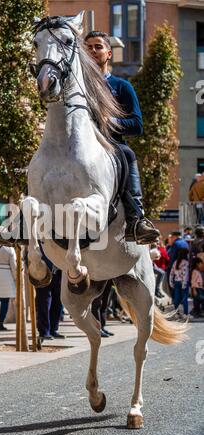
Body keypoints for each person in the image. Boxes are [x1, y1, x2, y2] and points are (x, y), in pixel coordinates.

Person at [85, 31, 160, 245]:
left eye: (97, 46)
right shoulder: (74, 86)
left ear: (109, 53)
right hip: (76, 143)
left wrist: (111, 122)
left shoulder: (122, 87)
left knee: (127, 153)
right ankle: (26, 218)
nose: (92, 50)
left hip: (111, 145)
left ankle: (136, 219)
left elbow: (137, 125)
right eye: (88, 47)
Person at [35, 247, 65, 341]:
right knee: (44, 304)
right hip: (42, 275)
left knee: (58, 304)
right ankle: (44, 332)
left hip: (58, 275)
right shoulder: (38, 244)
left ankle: (53, 330)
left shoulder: (58, 242)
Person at [169, 247, 190, 318]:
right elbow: (185, 274)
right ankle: (185, 314)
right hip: (183, 283)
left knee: (176, 298)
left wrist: (171, 282)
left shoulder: (175, 262)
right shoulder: (186, 262)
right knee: (184, 299)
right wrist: (184, 284)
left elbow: (171, 273)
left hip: (176, 282)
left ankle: (176, 313)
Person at [190, 253, 204, 318]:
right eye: (201, 264)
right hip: (197, 289)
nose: (202, 265)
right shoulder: (195, 272)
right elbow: (193, 281)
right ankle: (196, 312)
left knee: (198, 301)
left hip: (200, 289)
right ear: (197, 264)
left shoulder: (198, 271)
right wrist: (194, 289)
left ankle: (197, 312)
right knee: (198, 301)